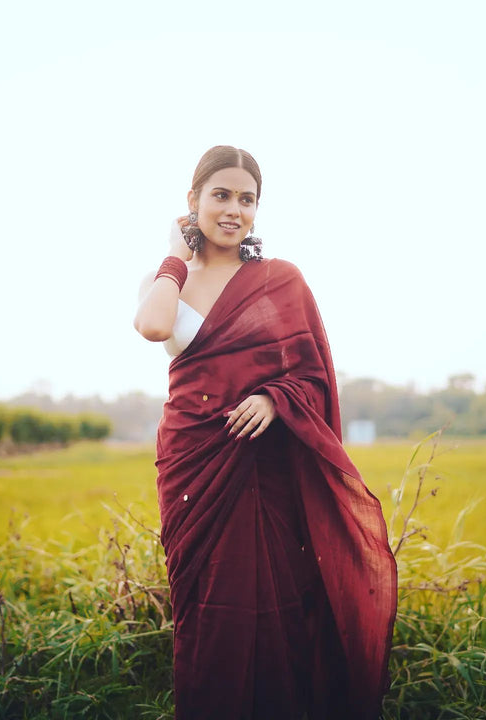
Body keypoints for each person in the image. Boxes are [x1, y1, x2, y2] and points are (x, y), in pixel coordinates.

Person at [134, 146, 397, 720]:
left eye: (246, 199)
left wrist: (276, 401)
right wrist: (177, 255)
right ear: (193, 201)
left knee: (279, 602)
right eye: (220, 195)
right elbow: (154, 325)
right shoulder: (165, 280)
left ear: (258, 209)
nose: (234, 210)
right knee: (203, 608)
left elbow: (312, 375)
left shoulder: (279, 281)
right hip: (192, 465)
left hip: (263, 466)